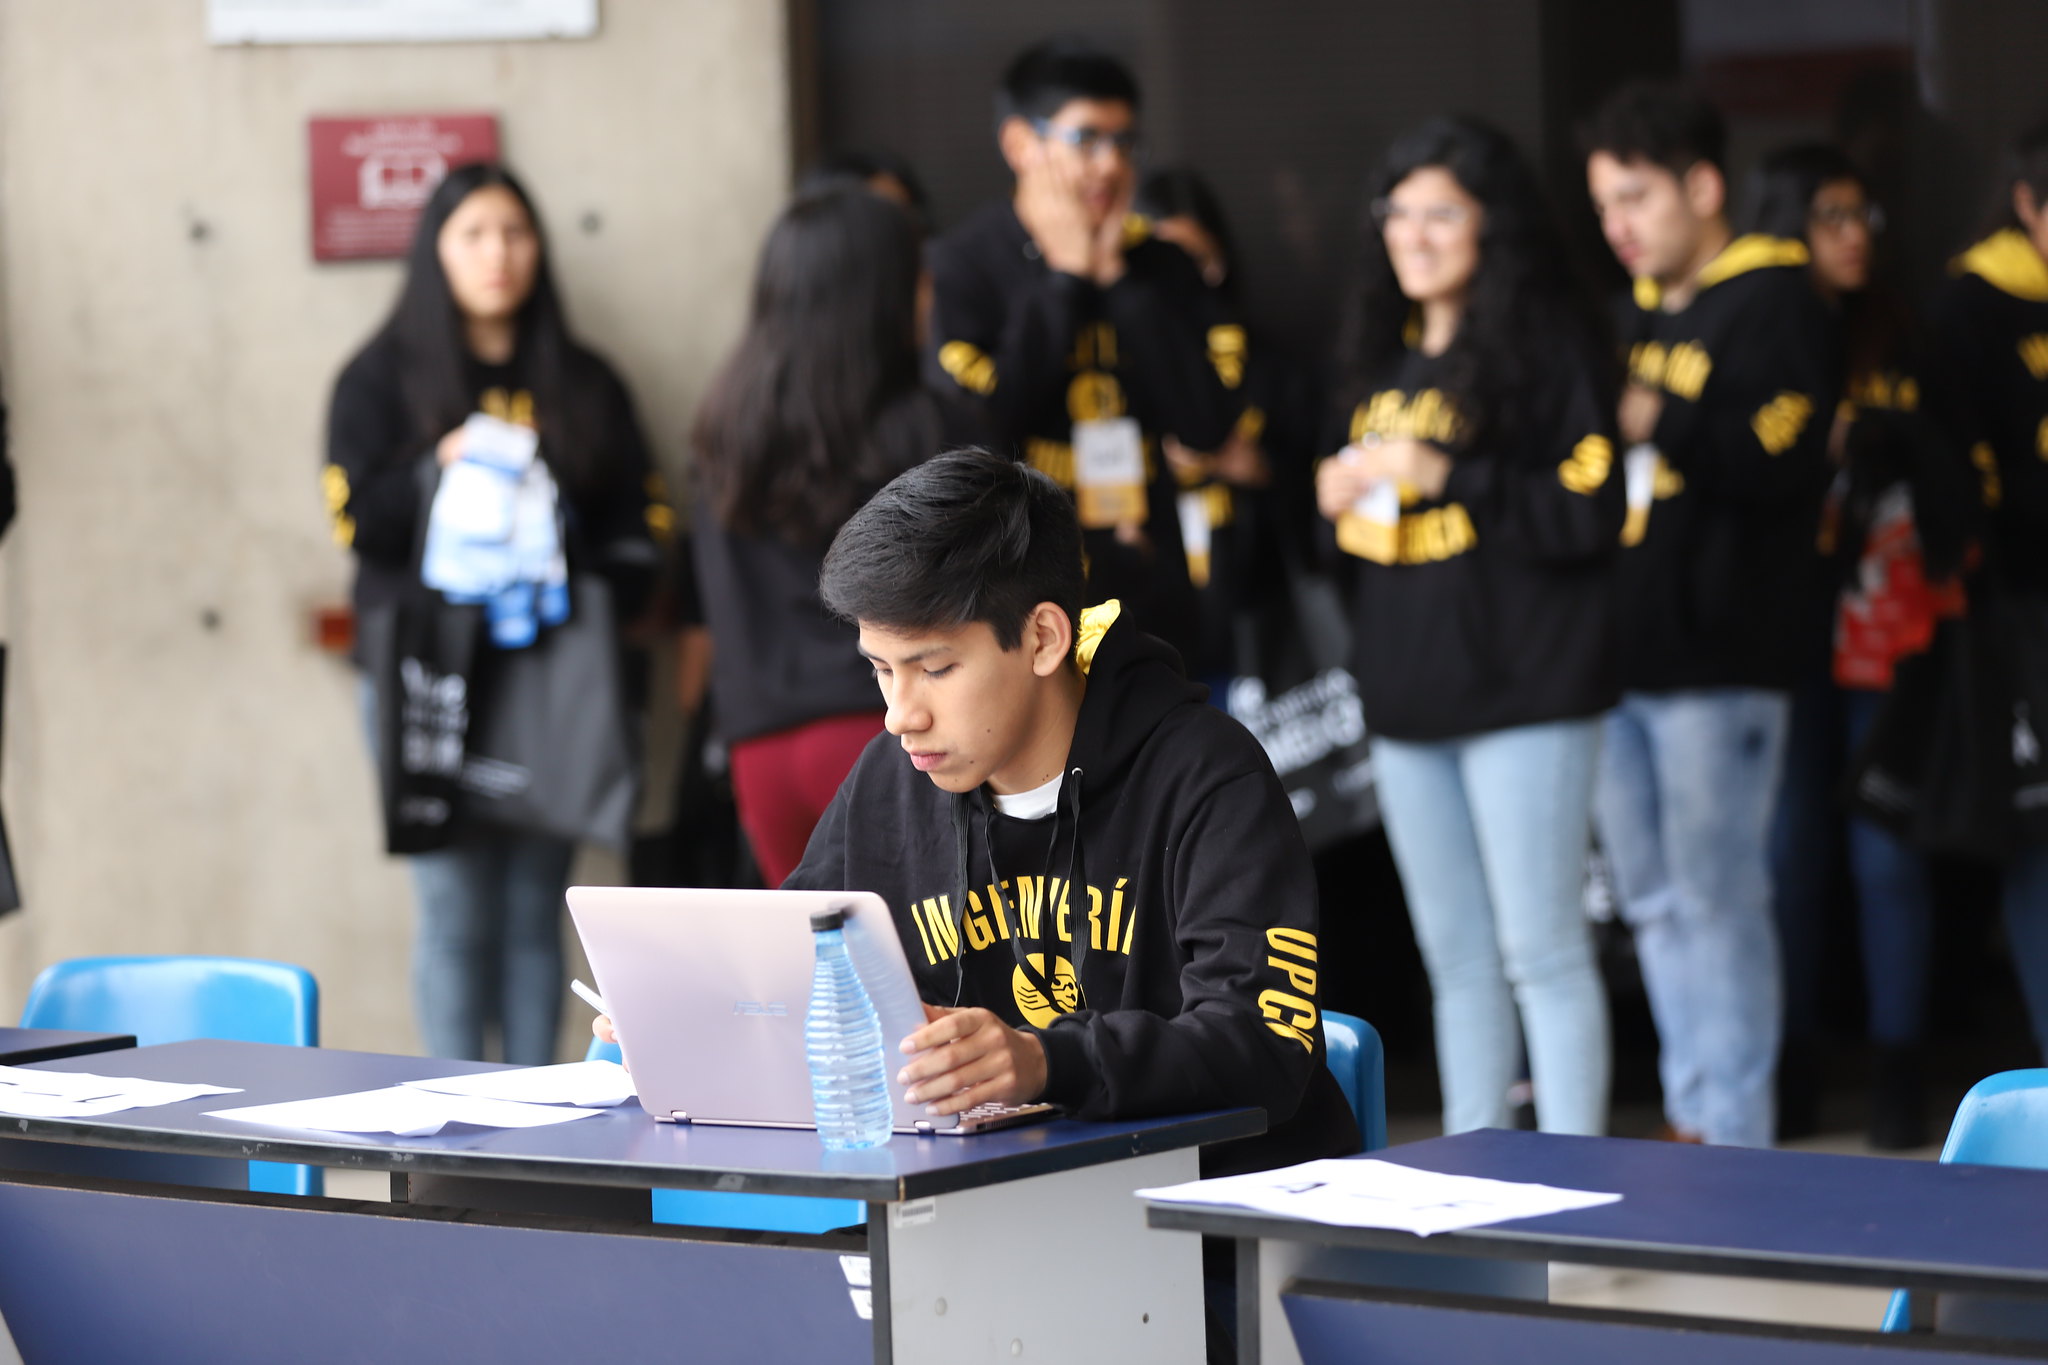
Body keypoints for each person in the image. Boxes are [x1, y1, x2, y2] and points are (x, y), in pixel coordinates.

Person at [1315, 117, 1623, 1137]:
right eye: (1396, 211)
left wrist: (1446, 474)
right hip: (1407, 702)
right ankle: (1471, 1185)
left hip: (1525, 694)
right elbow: (1362, 554)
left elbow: (1588, 508)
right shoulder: (1383, 361)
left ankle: (1572, 1198)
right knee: (1453, 963)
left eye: (1439, 211)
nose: (1412, 232)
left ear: (1491, 227)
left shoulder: (1549, 346)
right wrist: (1334, 499)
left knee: (1540, 952)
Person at [324, 163, 666, 1064]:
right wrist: (442, 460)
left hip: (552, 678)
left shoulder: (584, 380)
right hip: (429, 675)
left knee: (532, 910)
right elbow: (356, 522)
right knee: (452, 909)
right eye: (473, 233)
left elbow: (646, 521)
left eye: (514, 231)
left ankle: (531, 1125)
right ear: (436, 248)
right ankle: (454, 1126)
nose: (497, 254)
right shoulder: (380, 376)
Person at [1582, 83, 1838, 1148]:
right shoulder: (1653, 306)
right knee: (1650, 905)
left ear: (1702, 185)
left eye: (1635, 196)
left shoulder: (1775, 295)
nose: (1619, 226)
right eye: (1602, 205)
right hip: (1628, 656)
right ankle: (1694, 1119)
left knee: (1717, 901)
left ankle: (1734, 1141)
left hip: (1724, 658)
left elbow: (1779, 459)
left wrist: (1660, 417)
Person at [1753, 145, 1971, 1147]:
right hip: (1776, 638)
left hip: (1887, 630)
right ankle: (1789, 1068)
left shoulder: (1901, 332)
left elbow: (1954, 482)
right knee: (1786, 857)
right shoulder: (1758, 328)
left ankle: (1896, 1079)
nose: (1850, 236)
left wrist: (1890, 434)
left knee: (1884, 854)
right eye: (1828, 215)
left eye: (1862, 216)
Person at [690, 187, 979, 887]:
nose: (927, 295)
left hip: (760, 748)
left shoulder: (722, 428)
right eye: (915, 276)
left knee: (816, 980)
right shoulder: (928, 429)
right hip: (888, 735)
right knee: (921, 979)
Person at [925, 38, 1240, 665]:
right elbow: (980, 430)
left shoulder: (1159, 263)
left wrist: (1118, 278)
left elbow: (1206, 424)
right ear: (1021, 145)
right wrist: (1066, 278)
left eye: (1124, 143)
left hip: (1152, 588)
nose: (1110, 164)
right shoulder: (964, 265)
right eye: (1087, 139)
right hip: (1022, 593)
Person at [1926, 118, 2048, 1067]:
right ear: (2027, 204)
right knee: (2039, 840)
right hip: (2024, 612)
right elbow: (1953, 472)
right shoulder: (1974, 306)